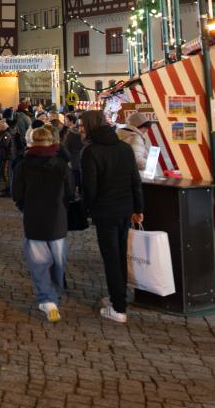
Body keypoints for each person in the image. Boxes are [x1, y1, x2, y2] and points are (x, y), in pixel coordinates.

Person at [81, 109, 144, 324]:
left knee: (111, 258)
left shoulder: (91, 151)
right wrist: (138, 208)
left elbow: (89, 187)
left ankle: (118, 307)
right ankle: (119, 297)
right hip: (125, 209)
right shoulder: (124, 148)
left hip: (105, 211)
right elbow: (135, 180)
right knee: (120, 255)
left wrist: (86, 209)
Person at [12, 125, 76, 322]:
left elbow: (17, 194)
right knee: (58, 260)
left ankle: (48, 300)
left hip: (34, 219)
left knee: (39, 263)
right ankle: (53, 292)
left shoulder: (23, 166)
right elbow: (71, 193)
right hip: (57, 219)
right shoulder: (61, 165)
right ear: (51, 142)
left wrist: (26, 207)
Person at [117, 112, 162, 178]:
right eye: (145, 127)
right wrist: (151, 166)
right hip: (137, 176)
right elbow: (137, 159)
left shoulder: (121, 134)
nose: (146, 130)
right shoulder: (135, 137)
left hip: (123, 175)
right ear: (138, 126)